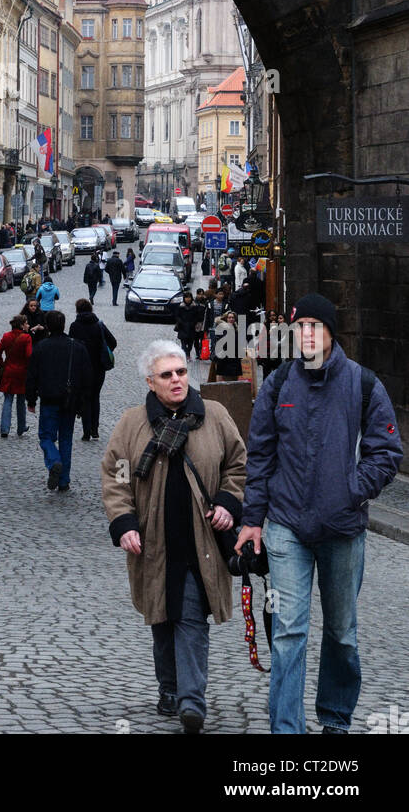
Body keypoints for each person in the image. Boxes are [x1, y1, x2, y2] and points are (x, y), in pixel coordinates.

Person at [234, 292, 402, 736]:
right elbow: (261, 456)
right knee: (289, 630)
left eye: (314, 325)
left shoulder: (363, 383)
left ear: (331, 331)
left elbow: (386, 451)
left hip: (343, 528)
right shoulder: (278, 384)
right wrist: (253, 520)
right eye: (300, 326)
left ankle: (334, 717)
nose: (306, 333)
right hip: (287, 527)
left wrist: (354, 489)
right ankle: (287, 728)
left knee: (342, 633)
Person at [101, 339, 246, 733]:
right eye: (167, 375)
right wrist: (124, 522)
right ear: (151, 382)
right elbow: (116, 476)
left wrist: (227, 503)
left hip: (202, 543)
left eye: (181, 371)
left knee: (191, 618)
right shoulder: (133, 423)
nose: (177, 380)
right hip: (154, 543)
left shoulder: (213, 415)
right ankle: (169, 687)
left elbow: (238, 464)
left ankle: (191, 703)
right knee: (162, 620)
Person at [25, 312, 91, 493]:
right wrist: (82, 403)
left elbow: (31, 376)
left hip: (49, 400)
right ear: (63, 325)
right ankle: (64, 481)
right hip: (70, 401)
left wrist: (30, 399)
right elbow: (87, 378)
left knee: (46, 437)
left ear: (47, 326)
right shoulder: (77, 347)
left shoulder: (41, 347)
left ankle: (54, 461)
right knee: (66, 440)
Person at [69, 298, 116, 442]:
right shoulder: (99, 325)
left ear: (78, 310)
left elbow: (71, 347)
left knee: (84, 398)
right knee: (95, 397)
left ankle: (86, 431)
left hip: (81, 368)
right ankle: (95, 430)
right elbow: (113, 342)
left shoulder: (75, 326)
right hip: (98, 367)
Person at [0, 315, 32, 438]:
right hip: (22, 373)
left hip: (9, 371)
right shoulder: (26, 338)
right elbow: (29, 355)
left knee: (7, 400)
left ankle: (4, 429)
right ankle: (21, 427)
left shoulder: (6, 336)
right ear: (21, 325)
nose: (28, 325)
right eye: (26, 323)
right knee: (21, 401)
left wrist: (2, 365)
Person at [173, 291, 201, 363]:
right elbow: (177, 316)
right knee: (183, 342)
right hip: (182, 327)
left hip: (192, 327)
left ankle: (188, 353)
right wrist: (181, 322)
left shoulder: (195, 306)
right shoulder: (180, 306)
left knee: (190, 342)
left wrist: (193, 323)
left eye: (189, 297)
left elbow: (197, 316)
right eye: (186, 297)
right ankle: (186, 355)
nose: (188, 299)